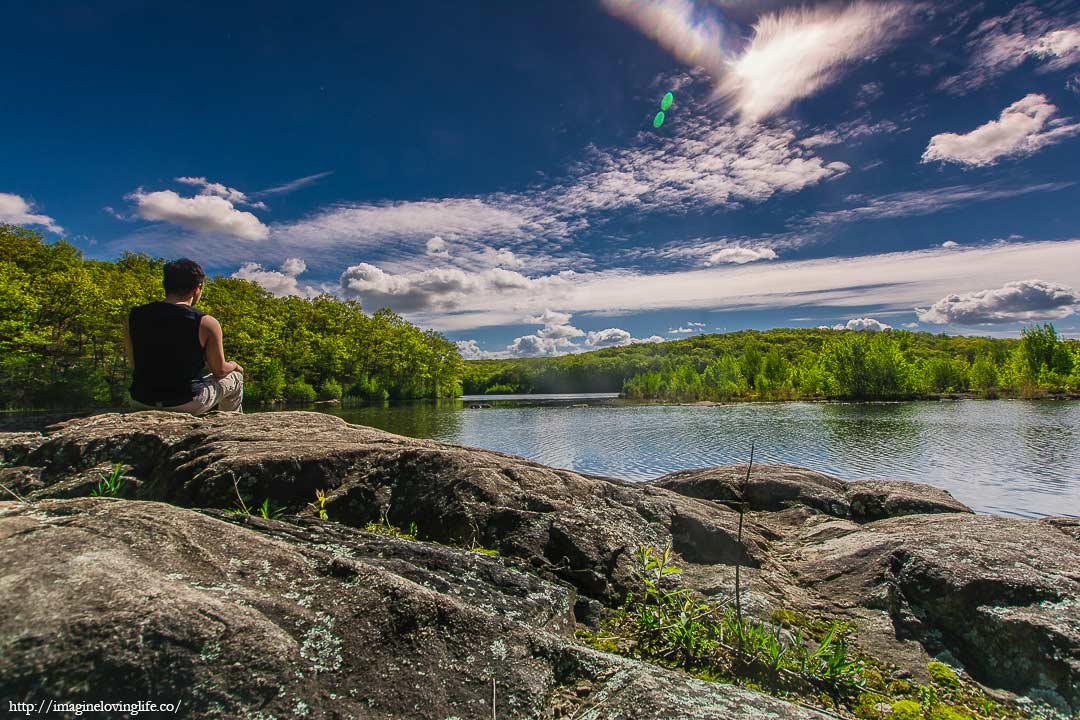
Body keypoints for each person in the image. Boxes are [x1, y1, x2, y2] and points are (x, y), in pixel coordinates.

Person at [123, 258, 244, 415]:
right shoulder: (206, 322)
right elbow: (219, 371)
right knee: (235, 377)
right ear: (197, 288)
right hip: (187, 402)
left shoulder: (133, 316)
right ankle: (231, 426)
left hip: (140, 401)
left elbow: (134, 364)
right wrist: (234, 365)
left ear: (166, 285)